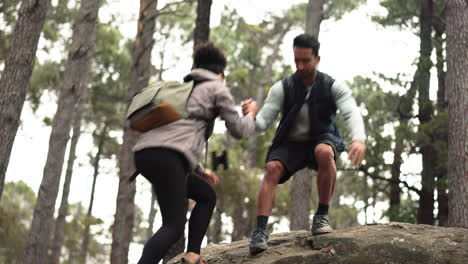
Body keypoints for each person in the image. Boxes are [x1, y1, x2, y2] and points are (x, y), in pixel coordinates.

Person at [132, 42, 259, 264]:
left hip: (146, 155)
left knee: (205, 195)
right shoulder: (217, 88)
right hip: (167, 158)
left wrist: (199, 169)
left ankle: (192, 255)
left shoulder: (183, 90)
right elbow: (239, 130)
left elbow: (176, 135)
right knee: (173, 226)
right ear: (220, 74)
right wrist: (251, 114)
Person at [243, 33, 366, 255]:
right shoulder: (283, 87)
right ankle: (260, 231)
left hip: (321, 138)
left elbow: (351, 112)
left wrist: (358, 138)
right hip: (291, 143)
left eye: (305, 61)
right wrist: (252, 114)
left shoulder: (332, 85)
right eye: (296, 60)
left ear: (317, 59)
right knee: (272, 168)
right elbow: (261, 123)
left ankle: (321, 216)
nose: (300, 66)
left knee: (324, 152)